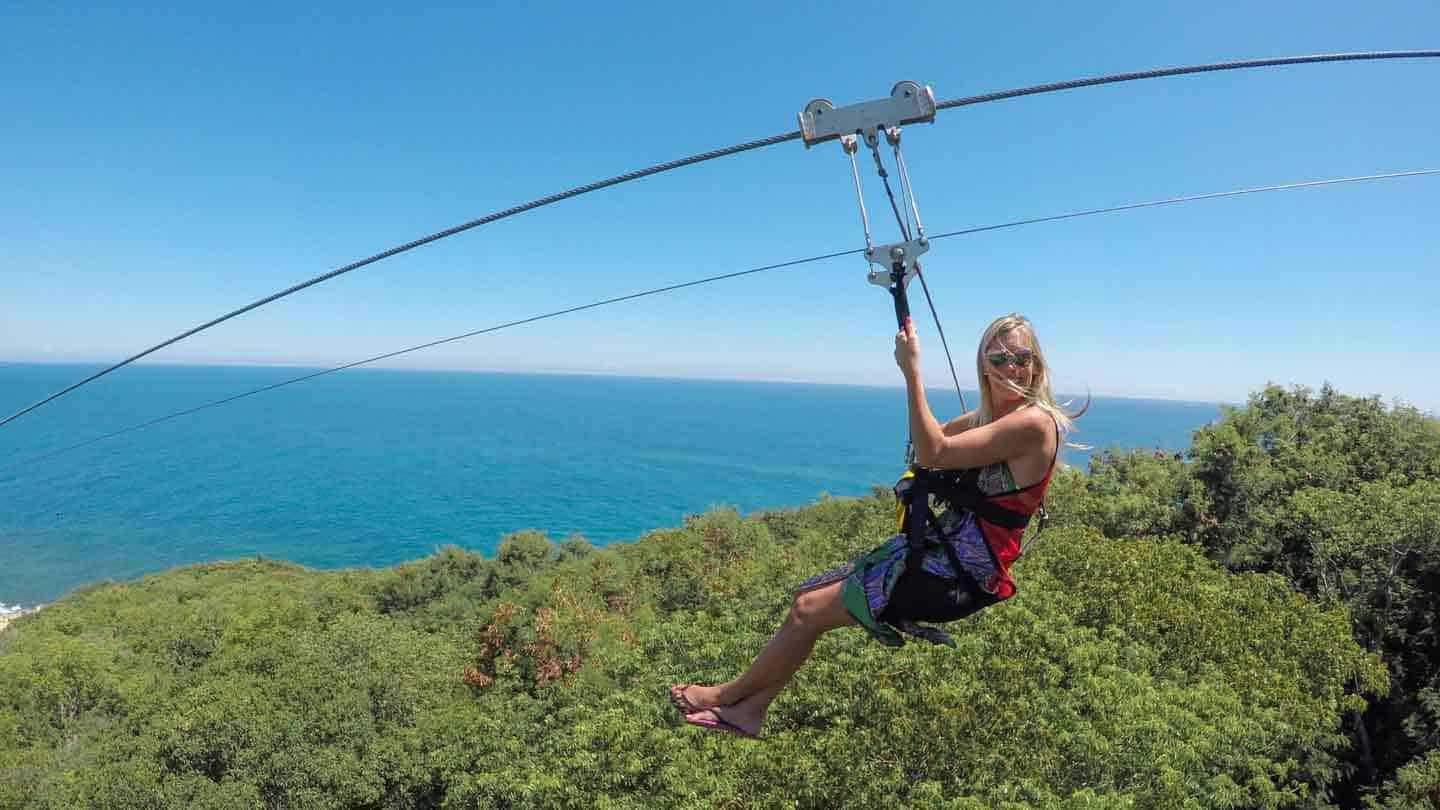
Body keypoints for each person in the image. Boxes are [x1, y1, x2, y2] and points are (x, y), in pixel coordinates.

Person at [669, 313, 1084, 739]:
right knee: (807, 604)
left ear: (1036, 364)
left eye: (1022, 357)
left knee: (806, 612)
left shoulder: (1034, 423)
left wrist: (912, 371)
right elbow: (930, 444)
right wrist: (943, 434)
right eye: (999, 358)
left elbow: (934, 450)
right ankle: (750, 710)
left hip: (955, 574)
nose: (1012, 367)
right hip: (943, 557)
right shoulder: (990, 420)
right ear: (984, 365)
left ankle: (722, 695)